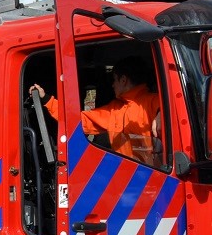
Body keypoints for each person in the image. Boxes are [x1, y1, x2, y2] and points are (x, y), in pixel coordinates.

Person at [32, 55, 161, 164]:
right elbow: (79, 120)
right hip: (127, 174)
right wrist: (47, 100)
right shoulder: (115, 109)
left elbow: (170, 114)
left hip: (151, 176)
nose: (112, 85)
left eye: (114, 80)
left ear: (123, 80)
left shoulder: (154, 101)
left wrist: (161, 114)